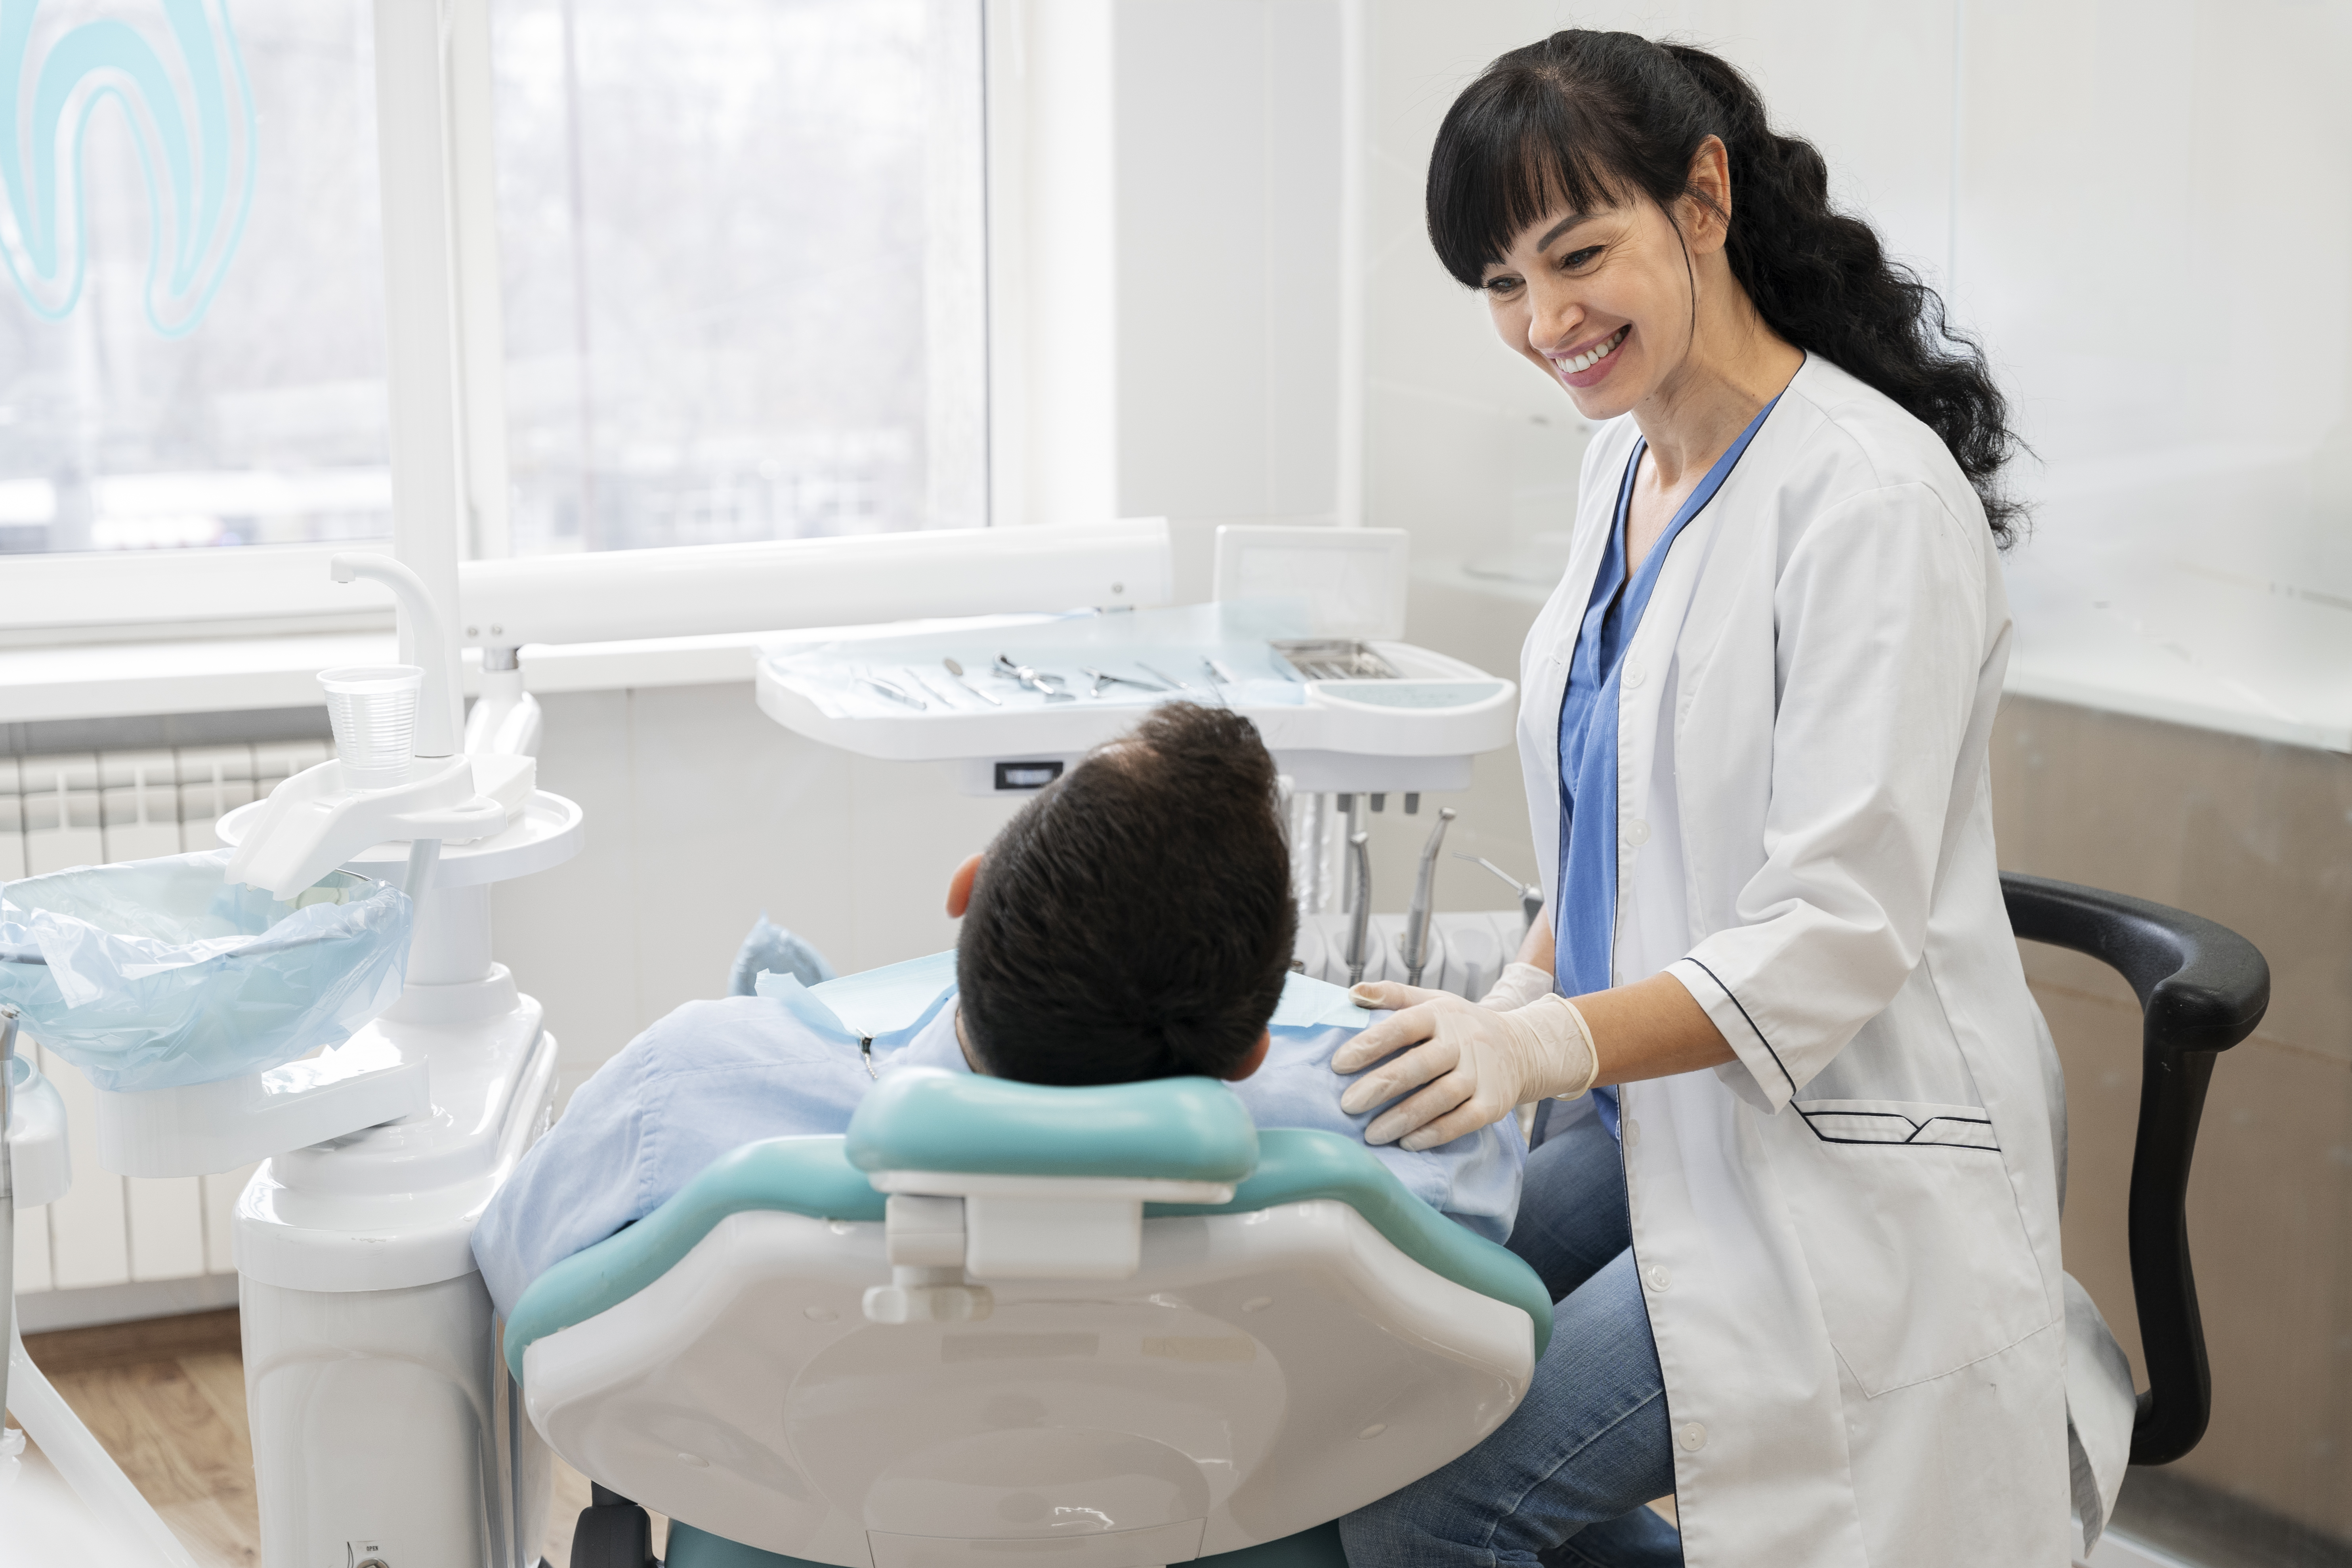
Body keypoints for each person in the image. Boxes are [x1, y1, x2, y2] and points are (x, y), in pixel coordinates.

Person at [1329, 31, 2133, 1568]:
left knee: (1433, 1508)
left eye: (1577, 254)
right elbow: (1617, 819)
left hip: (1834, 1161)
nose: (1544, 320)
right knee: (1373, 1399)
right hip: (1657, 1117)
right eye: (1501, 284)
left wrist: (1532, 1044)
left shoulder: (1868, 502)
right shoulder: (1623, 467)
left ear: (1698, 197)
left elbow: (1829, 931)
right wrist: (1502, 1000)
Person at [471, 701, 1523, 1321]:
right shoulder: (1399, 1122)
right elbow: (1480, 1265)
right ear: (1250, 1048)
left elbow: (523, 1282)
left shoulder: (691, 1090)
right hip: (1212, 1515)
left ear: (966, 890)